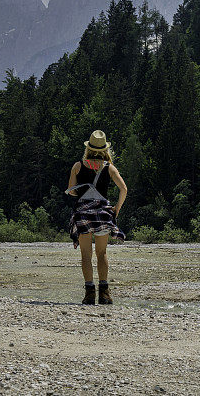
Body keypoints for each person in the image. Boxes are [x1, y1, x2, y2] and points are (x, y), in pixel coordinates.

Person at [66, 130, 127, 304]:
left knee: (86, 254)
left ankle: (89, 294)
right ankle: (105, 294)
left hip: (84, 213)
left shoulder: (77, 166)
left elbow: (72, 191)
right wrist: (116, 210)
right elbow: (124, 190)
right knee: (102, 253)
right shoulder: (109, 167)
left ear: (89, 147)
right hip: (102, 214)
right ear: (105, 149)